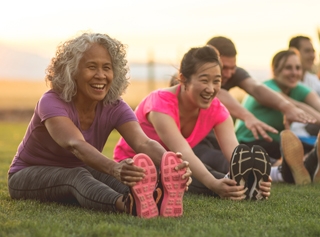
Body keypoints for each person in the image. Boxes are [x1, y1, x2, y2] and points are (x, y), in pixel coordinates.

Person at [7, 32, 191, 219]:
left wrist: (172, 164)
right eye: (91, 67)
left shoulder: (114, 106)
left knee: (131, 173)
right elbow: (75, 144)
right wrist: (114, 168)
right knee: (79, 175)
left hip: (81, 166)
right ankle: (127, 205)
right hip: (26, 174)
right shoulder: (52, 101)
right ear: (72, 71)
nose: (101, 75)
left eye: (107, 68)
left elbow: (143, 143)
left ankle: (154, 196)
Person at [114, 45, 272, 200]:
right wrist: (214, 184)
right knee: (184, 172)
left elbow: (236, 155)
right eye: (204, 80)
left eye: (217, 81)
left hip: (176, 166)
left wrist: (251, 174)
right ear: (183, 79)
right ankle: (239, 188)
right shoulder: (160, 103)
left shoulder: (217, 109)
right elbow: (183, 152)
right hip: (133, 164)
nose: (211, 89)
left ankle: (246, 186)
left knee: (189, 170)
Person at [193, 36, 316, 167]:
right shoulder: (192, 75)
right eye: (224, 68)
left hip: (217, 137)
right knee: (220, 161)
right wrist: (247, 116)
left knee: (234, 157)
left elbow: (256, 88)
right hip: (192, 141)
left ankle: (289, 168)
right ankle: (284, 170)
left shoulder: (233, 73)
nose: (229, 74)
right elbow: (218, 94)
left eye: (232, 68)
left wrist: (288, 108)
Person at [235, 49, 320, 185]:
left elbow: (317, 103)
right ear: (275, 70)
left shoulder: (298, 88)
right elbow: (294, 105)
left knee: (307, 149)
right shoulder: (268, 88)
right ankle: (303, 167)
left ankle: (307, 166)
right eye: (288, 68)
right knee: (293, 155)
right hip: (250, 141)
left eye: (298, 68)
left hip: (277, 143)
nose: (294, 73)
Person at [289, 36, 320, 149]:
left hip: (311, 134)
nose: (312, 56)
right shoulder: (285, 84)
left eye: (313, 51)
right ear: (294, 52)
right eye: (307, 51)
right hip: (294, 138)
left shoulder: (312, 80)